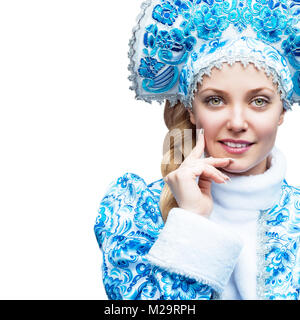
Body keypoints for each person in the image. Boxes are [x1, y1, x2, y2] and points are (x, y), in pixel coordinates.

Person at [94, 0, 300, 300]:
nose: (238, 122)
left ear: (282, 111)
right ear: (191, 110)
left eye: (259, 101)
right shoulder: (135, 212)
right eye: (215, 100)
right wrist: (191, 219)